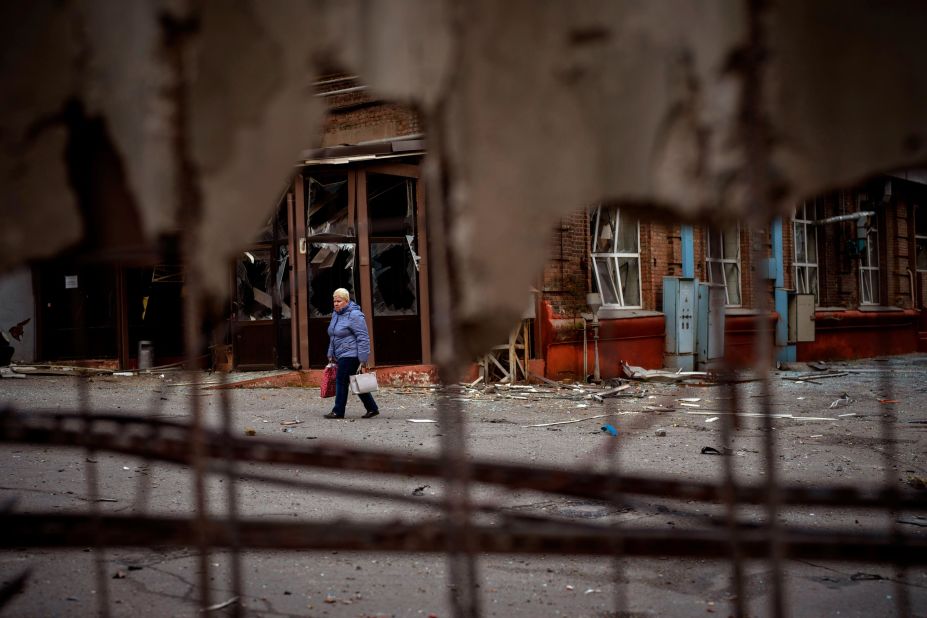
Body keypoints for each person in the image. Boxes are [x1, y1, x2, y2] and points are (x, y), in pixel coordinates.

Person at [323, 288, 379, 419]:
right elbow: (333, 336)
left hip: (351, 354)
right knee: (355, 381)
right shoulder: (336, 314)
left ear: (347, 301)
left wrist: (363, 358)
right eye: (334, 301)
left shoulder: (354, 315)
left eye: (339, 301)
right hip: (340, 353)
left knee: (341, 381)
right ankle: (372, 408)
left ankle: (338, 411)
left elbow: (363, 337)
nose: (336, 303)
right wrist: (330, 352)